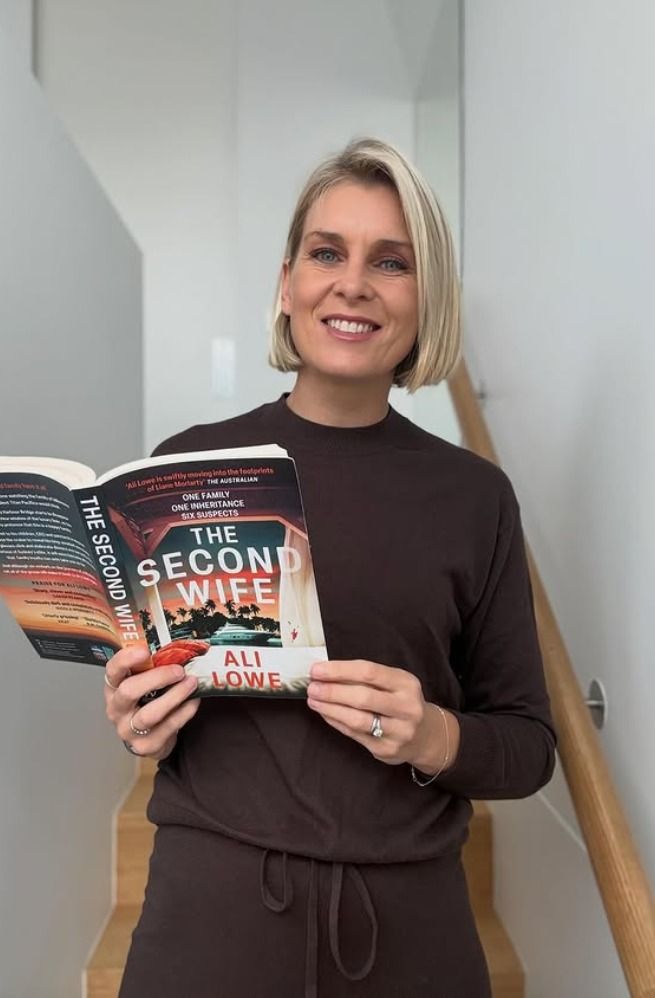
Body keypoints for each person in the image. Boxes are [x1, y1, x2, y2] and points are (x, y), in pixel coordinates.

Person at [106, 137, 556, 998]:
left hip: (410, 921)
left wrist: (432, 734)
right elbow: (157, 699)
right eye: (325, 253)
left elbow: (528, 746)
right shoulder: (186, 467)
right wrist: (139, 717)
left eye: (391, 262)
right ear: (287, 285)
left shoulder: (474, 497)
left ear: (426, 300)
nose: (352, 283)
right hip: (210, 910)